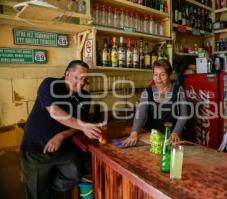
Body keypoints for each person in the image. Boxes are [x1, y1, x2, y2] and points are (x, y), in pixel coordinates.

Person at [20, 60, 103, 199]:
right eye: (79, 77)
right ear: (67, 74)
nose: (82, 83)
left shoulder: (85, 97)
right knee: (36, 193)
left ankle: (47, 188)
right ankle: (42, 190)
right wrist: (83, 126)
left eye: (85, 79)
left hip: (62, 148)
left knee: (76, 171)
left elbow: (76, 126)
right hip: (35, 150)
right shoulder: (50, 84)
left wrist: (62, 136)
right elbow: (55, 112)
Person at [122, 59, 188, 147]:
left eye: (162, 74)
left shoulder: (178, 90)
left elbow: (183, 114)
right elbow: (141, 113)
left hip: (172, 138)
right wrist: (134, 133)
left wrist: (175, 133)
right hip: (152, 138)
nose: (158, 78)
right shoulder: (147, 92)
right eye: (155, 74)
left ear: (169, 75)